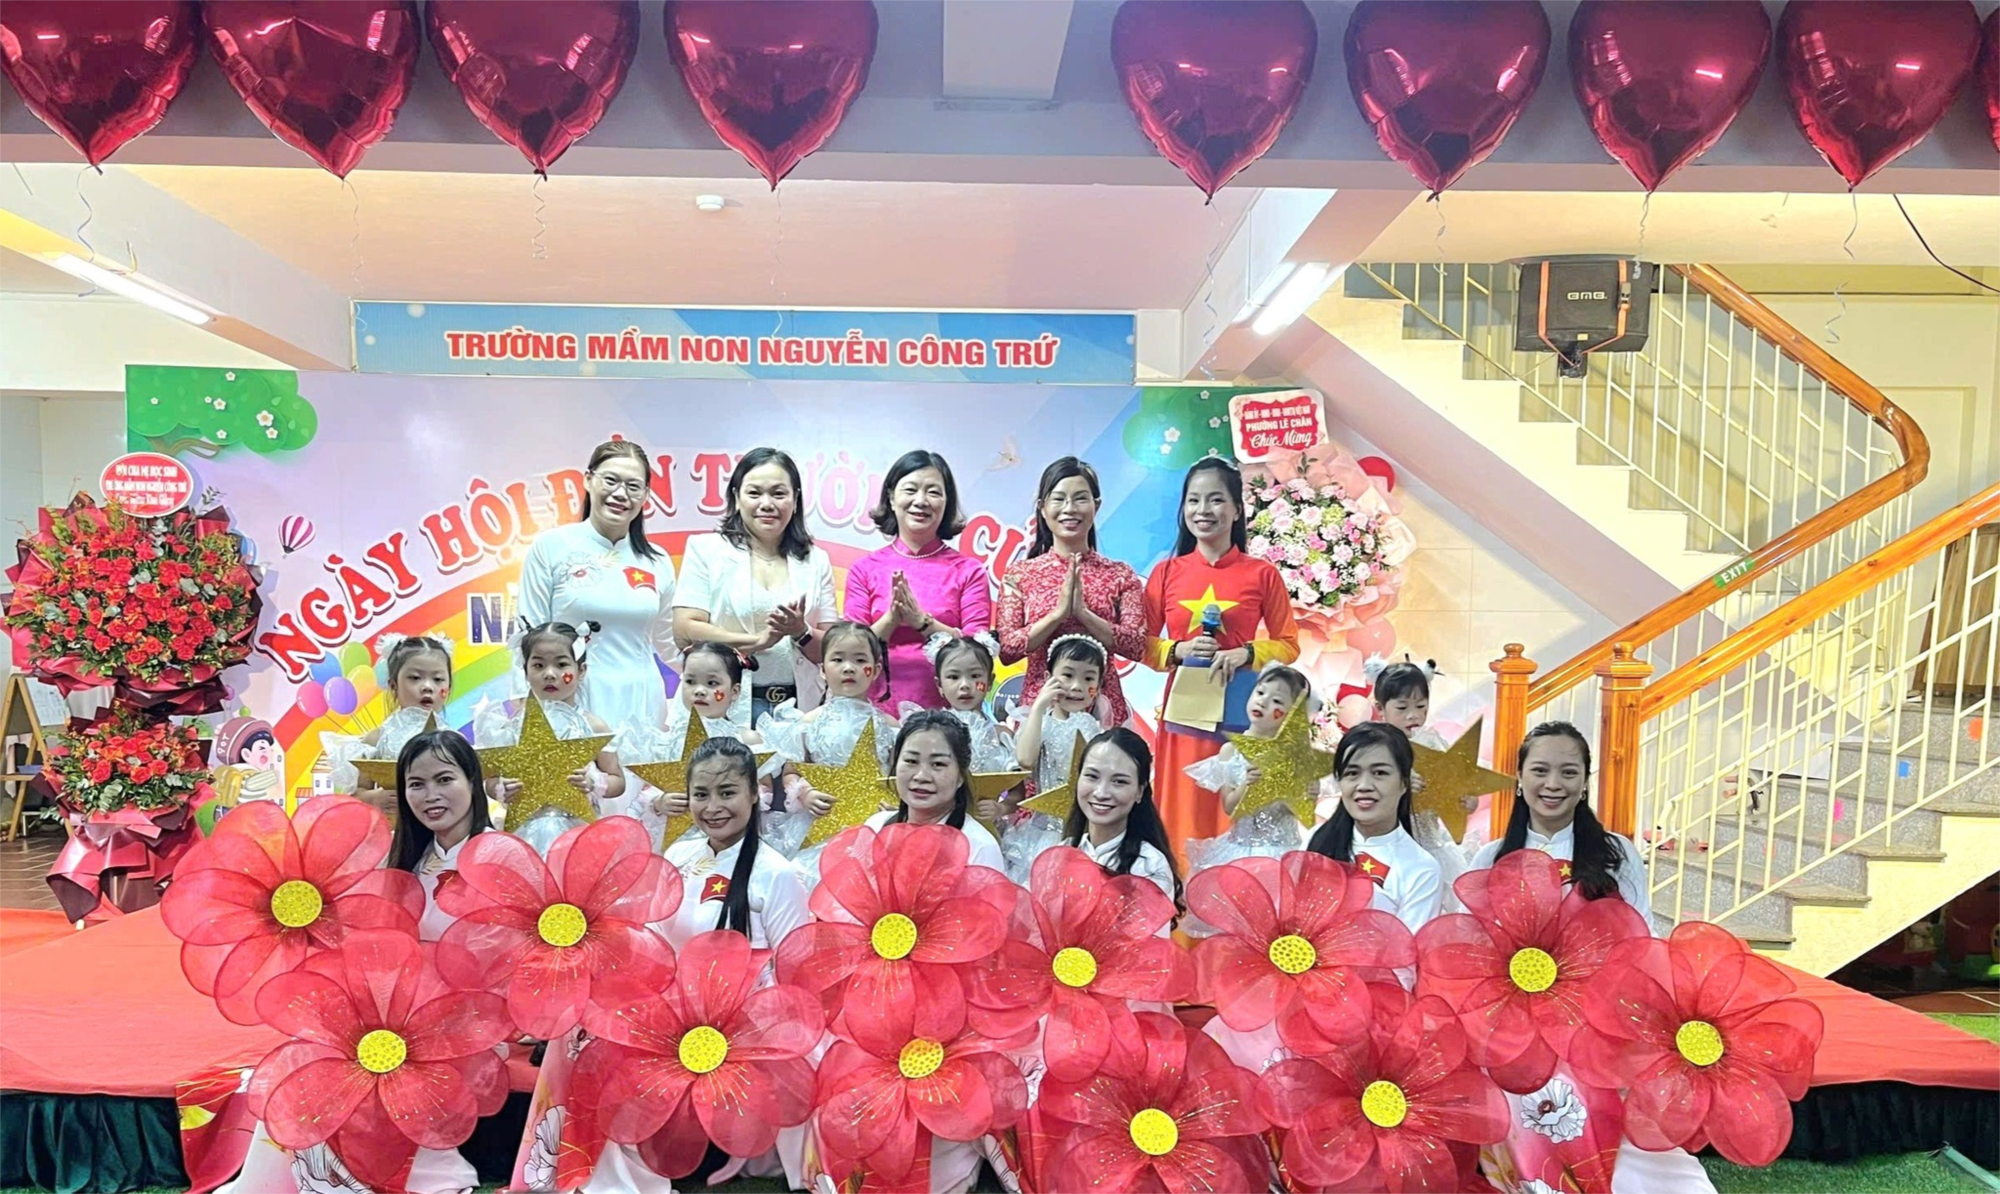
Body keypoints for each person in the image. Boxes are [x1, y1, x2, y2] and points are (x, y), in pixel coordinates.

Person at [216, 731, 494, 1194]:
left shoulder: (499, 856)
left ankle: (419, 1174)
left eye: (445, 779)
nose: (431, 795)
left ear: (473, 781)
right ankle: (289, 1179)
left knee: (372, 1058)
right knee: (315, 1046)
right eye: (416, 784)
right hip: (404, 1009)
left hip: (468, 1019)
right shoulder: (408, 860)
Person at [1468, 722, 1718, 1194]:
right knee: (1534, 1139)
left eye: (1568, 772)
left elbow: (1641, 938)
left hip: (1596, 1024)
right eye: (1540, 770)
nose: (1553, 784)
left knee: (1615, 1135)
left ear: (1585, 781)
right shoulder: (1490, 858)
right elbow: (1474, 952)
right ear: (1519, 777)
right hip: (1519, 1033)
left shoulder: (1615, 853)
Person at [1143, 457, 1298, 855]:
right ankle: (1179, 888)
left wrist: (1246, 653)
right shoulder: (1166, 573)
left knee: (1234, 808)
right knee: (1182, 810)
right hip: (1185, 711)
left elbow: (1288, 644)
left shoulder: (1262, 574)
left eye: (1215, 500)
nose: (1203, 510)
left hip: (1244, 714)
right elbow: (1140, 644)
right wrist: (1177, 650)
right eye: (1193, 500)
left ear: (1237, 509)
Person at [518, 440, 677, 729]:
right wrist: (524, 707)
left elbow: (669, 641)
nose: (621, 494)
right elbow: (527, 634)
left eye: (633, 486)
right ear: (589, 480)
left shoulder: (658, 561)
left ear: (645, 495)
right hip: (573, 697)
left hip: (642, 699)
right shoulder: (551, 546)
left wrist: (726, 668)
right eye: (611, 480)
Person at [674, 448, 838, 725]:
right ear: (737, 498)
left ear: (795, 500)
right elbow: (684, 630)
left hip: (800, 707)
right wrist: (756, 642)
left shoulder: (816, 560)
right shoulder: (706, 549)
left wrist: (802, 631)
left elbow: (834, 647)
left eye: (778, 493)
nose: (767, 504)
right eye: (754, 493)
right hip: (721, 704)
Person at [996, 456, 1147, 726]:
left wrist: (1084, 615)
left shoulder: (1120, 574)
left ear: (1096, 505)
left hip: (1104, 709)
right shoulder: (1020, 574)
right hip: (1040, 711)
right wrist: (1057, 615)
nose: (1069, 508)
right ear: (1042, 508)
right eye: (1059, 499)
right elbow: (1007, 650)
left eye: (1080, 499)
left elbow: (1137, 646)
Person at [845, 450, 994, 714]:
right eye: (910, 490)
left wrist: (923, 623)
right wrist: (891, 619)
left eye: (933, 492)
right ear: (892, 498)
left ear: (946, 503)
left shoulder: (969, 571)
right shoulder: (864, 569)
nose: (921, 501)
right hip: (874, 710)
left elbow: (980, 651)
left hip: (949, 713)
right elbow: (847, 650)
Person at [473, 621, 627, 843]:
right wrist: (501, 788)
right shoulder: (512, 727)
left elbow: (618, 781)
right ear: (525, 671)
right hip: (526, 833)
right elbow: (490, 780)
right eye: (538, 665)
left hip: (579, 835)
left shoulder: (594, 727)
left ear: (581, 671)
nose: (550, 674)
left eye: (561, 664)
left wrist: (594, 782)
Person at [760, 622, 900, 856]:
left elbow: (897, 774)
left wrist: (893, 803)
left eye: (860, 660)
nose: (849, 668)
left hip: (874, 822)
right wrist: (806, 794)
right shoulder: (807, 722)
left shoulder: (890, 726)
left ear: (875, 670)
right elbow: (791, 771)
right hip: (822, 821)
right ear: (823, 669)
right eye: (838, 660)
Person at [1305, 722, 1443, 938]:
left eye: (1379, 772)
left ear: (1404, 783)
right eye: (1352, 773)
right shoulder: (1315, 840)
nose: (1364, 786)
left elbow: (1406, 954)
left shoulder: (1422, 870)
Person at [1181, 665, 1316, 870]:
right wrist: (1248, 784)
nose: (1263, 702)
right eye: (1260, 692)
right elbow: (1229, 808)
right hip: (1238, 850)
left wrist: (1301, 793)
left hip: (1282, 855)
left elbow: (1302, 811)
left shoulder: (1297, 756)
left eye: (1277, 701)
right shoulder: (1230, 751)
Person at [633, 641, 765, 849]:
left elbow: (763, 789)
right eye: (690, 681)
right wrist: (659, 802)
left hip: (732, 839)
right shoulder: (666, 741)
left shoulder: (748, 740)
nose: (700, 691)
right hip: (677, 840)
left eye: (712, 683)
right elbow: (648, 790)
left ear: (735, 690)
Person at [999, 635, 1109, 882]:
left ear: (1099, 687)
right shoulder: (1039, 723)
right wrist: (1039, 707)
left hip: (1085, 833)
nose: (1077, 686)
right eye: (1067, 675)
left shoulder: (1097, 731)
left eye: (1088, 679)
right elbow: (1025, 760)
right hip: (1043, 833)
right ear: (1048, 678)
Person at [324, 632, 455, 817]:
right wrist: (374, 798)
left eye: (438, 679)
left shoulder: (455, 741)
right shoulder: (377, 739)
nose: (427, 686)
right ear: (393, 685)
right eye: (415, 678)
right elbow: (356, 795)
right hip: (394, 831)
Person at [865, 710, 1005, 872]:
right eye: (911, 761)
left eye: (938, 764)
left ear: (961, 775)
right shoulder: (875, 827)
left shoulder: (979, 845)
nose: (921, 776)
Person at [1059, 728, 1183, 907]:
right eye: (1092, 776)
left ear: (1140, 791)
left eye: (1119, 781)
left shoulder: (1149, 865)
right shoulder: (1061, 853)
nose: (1101, 793)